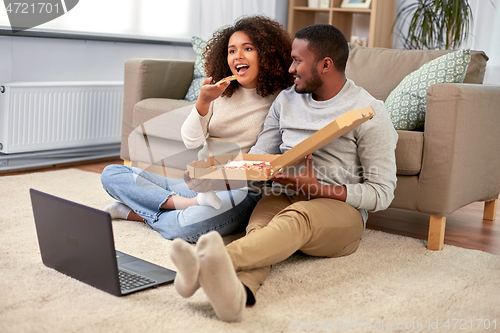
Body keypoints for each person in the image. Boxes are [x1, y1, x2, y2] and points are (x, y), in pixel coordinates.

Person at [170, 24, 398, 322]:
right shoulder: (286, 100)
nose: (290, 69)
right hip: (283, 193)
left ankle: (207, 265)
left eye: (298, 61)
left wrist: (319, 189)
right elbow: (258, 160)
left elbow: (383, 193)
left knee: (296, 219)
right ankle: (236, 296)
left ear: (325, 65)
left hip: (338, 209)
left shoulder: (368, 111)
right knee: (261, 231)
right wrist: (216, 175)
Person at [100, 16, 294, 243]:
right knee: (112, 174)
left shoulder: (281, 99)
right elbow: (191, 141)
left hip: (242, 191)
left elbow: (262, 161)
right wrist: (203, 103)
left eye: (248, 48)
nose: (238, 56)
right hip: (199, 185)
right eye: (232, 51)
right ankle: (185, 204)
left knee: (182, 230)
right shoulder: (221, 91)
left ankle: (133, 212)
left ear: (268, 54)